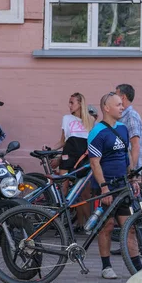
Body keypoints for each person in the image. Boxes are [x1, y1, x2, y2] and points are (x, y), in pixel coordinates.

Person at [88, 92, 141, 279]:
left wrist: (133, 178)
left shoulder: (123, 128)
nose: (122, 107)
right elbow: (95, 163)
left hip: (122, 186)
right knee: (107, 226)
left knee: (130, 226)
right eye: (118, 105)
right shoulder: (97, 132)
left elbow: (126, 156)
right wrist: (103, 187)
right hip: (106, 186)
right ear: (106, 108)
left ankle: (138, 267)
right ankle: (106, 266)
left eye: (122, 104)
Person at [45, 93, 95, 229]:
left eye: (72, 102)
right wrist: (50, 150)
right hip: (68, 156)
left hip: (83, 158)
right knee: (63, 190)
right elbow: (63, 141)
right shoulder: (66, 118)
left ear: (80, 104)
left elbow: (92, 142)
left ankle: (87, 225)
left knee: (84, 194)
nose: (69, 105)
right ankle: (58, 223)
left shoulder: (90, 120)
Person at [115, 83, 142, 170]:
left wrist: (132, 171)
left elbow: (135, 145)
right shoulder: (121, 116)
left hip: (128, 169)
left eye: (116, 95)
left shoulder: (131, 116)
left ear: (123, 97)